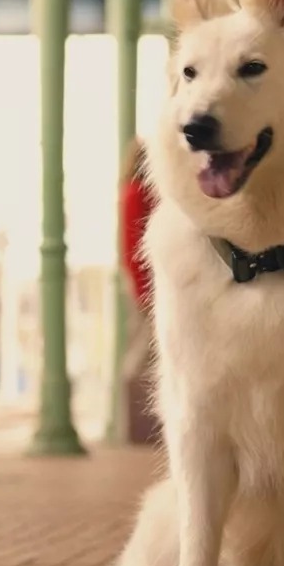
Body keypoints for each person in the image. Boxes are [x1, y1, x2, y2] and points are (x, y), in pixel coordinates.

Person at [117, 137, 161, 445]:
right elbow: (136, 248)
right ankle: (131, 428)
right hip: (148, 285)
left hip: (146, 283)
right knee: (139, 355)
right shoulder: (137, 195)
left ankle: (133, 427)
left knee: (143, 353)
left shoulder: (134, 193)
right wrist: (146, 290)